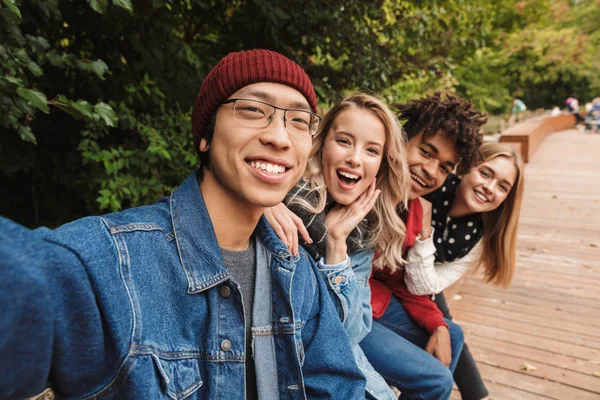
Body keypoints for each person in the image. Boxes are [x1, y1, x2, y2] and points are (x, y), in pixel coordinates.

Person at [0, 49, 366, 399]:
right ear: (205, 136)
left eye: (299, 121)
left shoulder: (296, 271)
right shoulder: (115, 260)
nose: (279, 136)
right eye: (253, 110)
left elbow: (338, 386)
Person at [265, 92, 412, 399]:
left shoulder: (362, 232)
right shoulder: (277, 198)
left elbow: (351, 334)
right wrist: (265, 202)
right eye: (344, 141)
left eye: (371, 150)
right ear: (321, 144)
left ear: (381, 166)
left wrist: (336, 247)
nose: (355, 158)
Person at [361, 92, 486, 399]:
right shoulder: (360, 179)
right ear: (401, 140)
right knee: (436, 381)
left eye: (444, 167)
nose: (431, 171)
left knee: (451, 333)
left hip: (378, 302)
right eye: (426, 153)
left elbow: (401, 281)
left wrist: (437, 324)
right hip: (348, 311)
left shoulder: (415, 210)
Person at [403, 142, 524, 400]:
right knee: (448, 328)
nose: (489, 188)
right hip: (387, 276)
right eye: (485, 173)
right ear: (467, 167)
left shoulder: (479, 236)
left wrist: (424, 235)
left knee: (448, 330)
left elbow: (428, 286)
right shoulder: (427, 187)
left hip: (419, 284)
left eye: (502, 187)